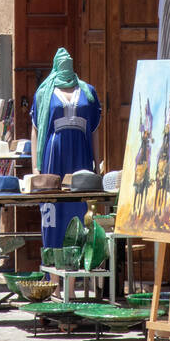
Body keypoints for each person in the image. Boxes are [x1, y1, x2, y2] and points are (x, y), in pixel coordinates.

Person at [30, 48, 101, 260]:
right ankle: (54, 276)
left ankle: (77, 269)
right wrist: (36, 167)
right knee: (54, 210)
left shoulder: (88, 91)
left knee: (80, 210)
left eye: (69, 61)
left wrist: (97, 163)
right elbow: (35, 130)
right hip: (54, 155)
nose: (66, 63)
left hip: (81, 153)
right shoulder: (44, 93)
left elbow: (95, 130)